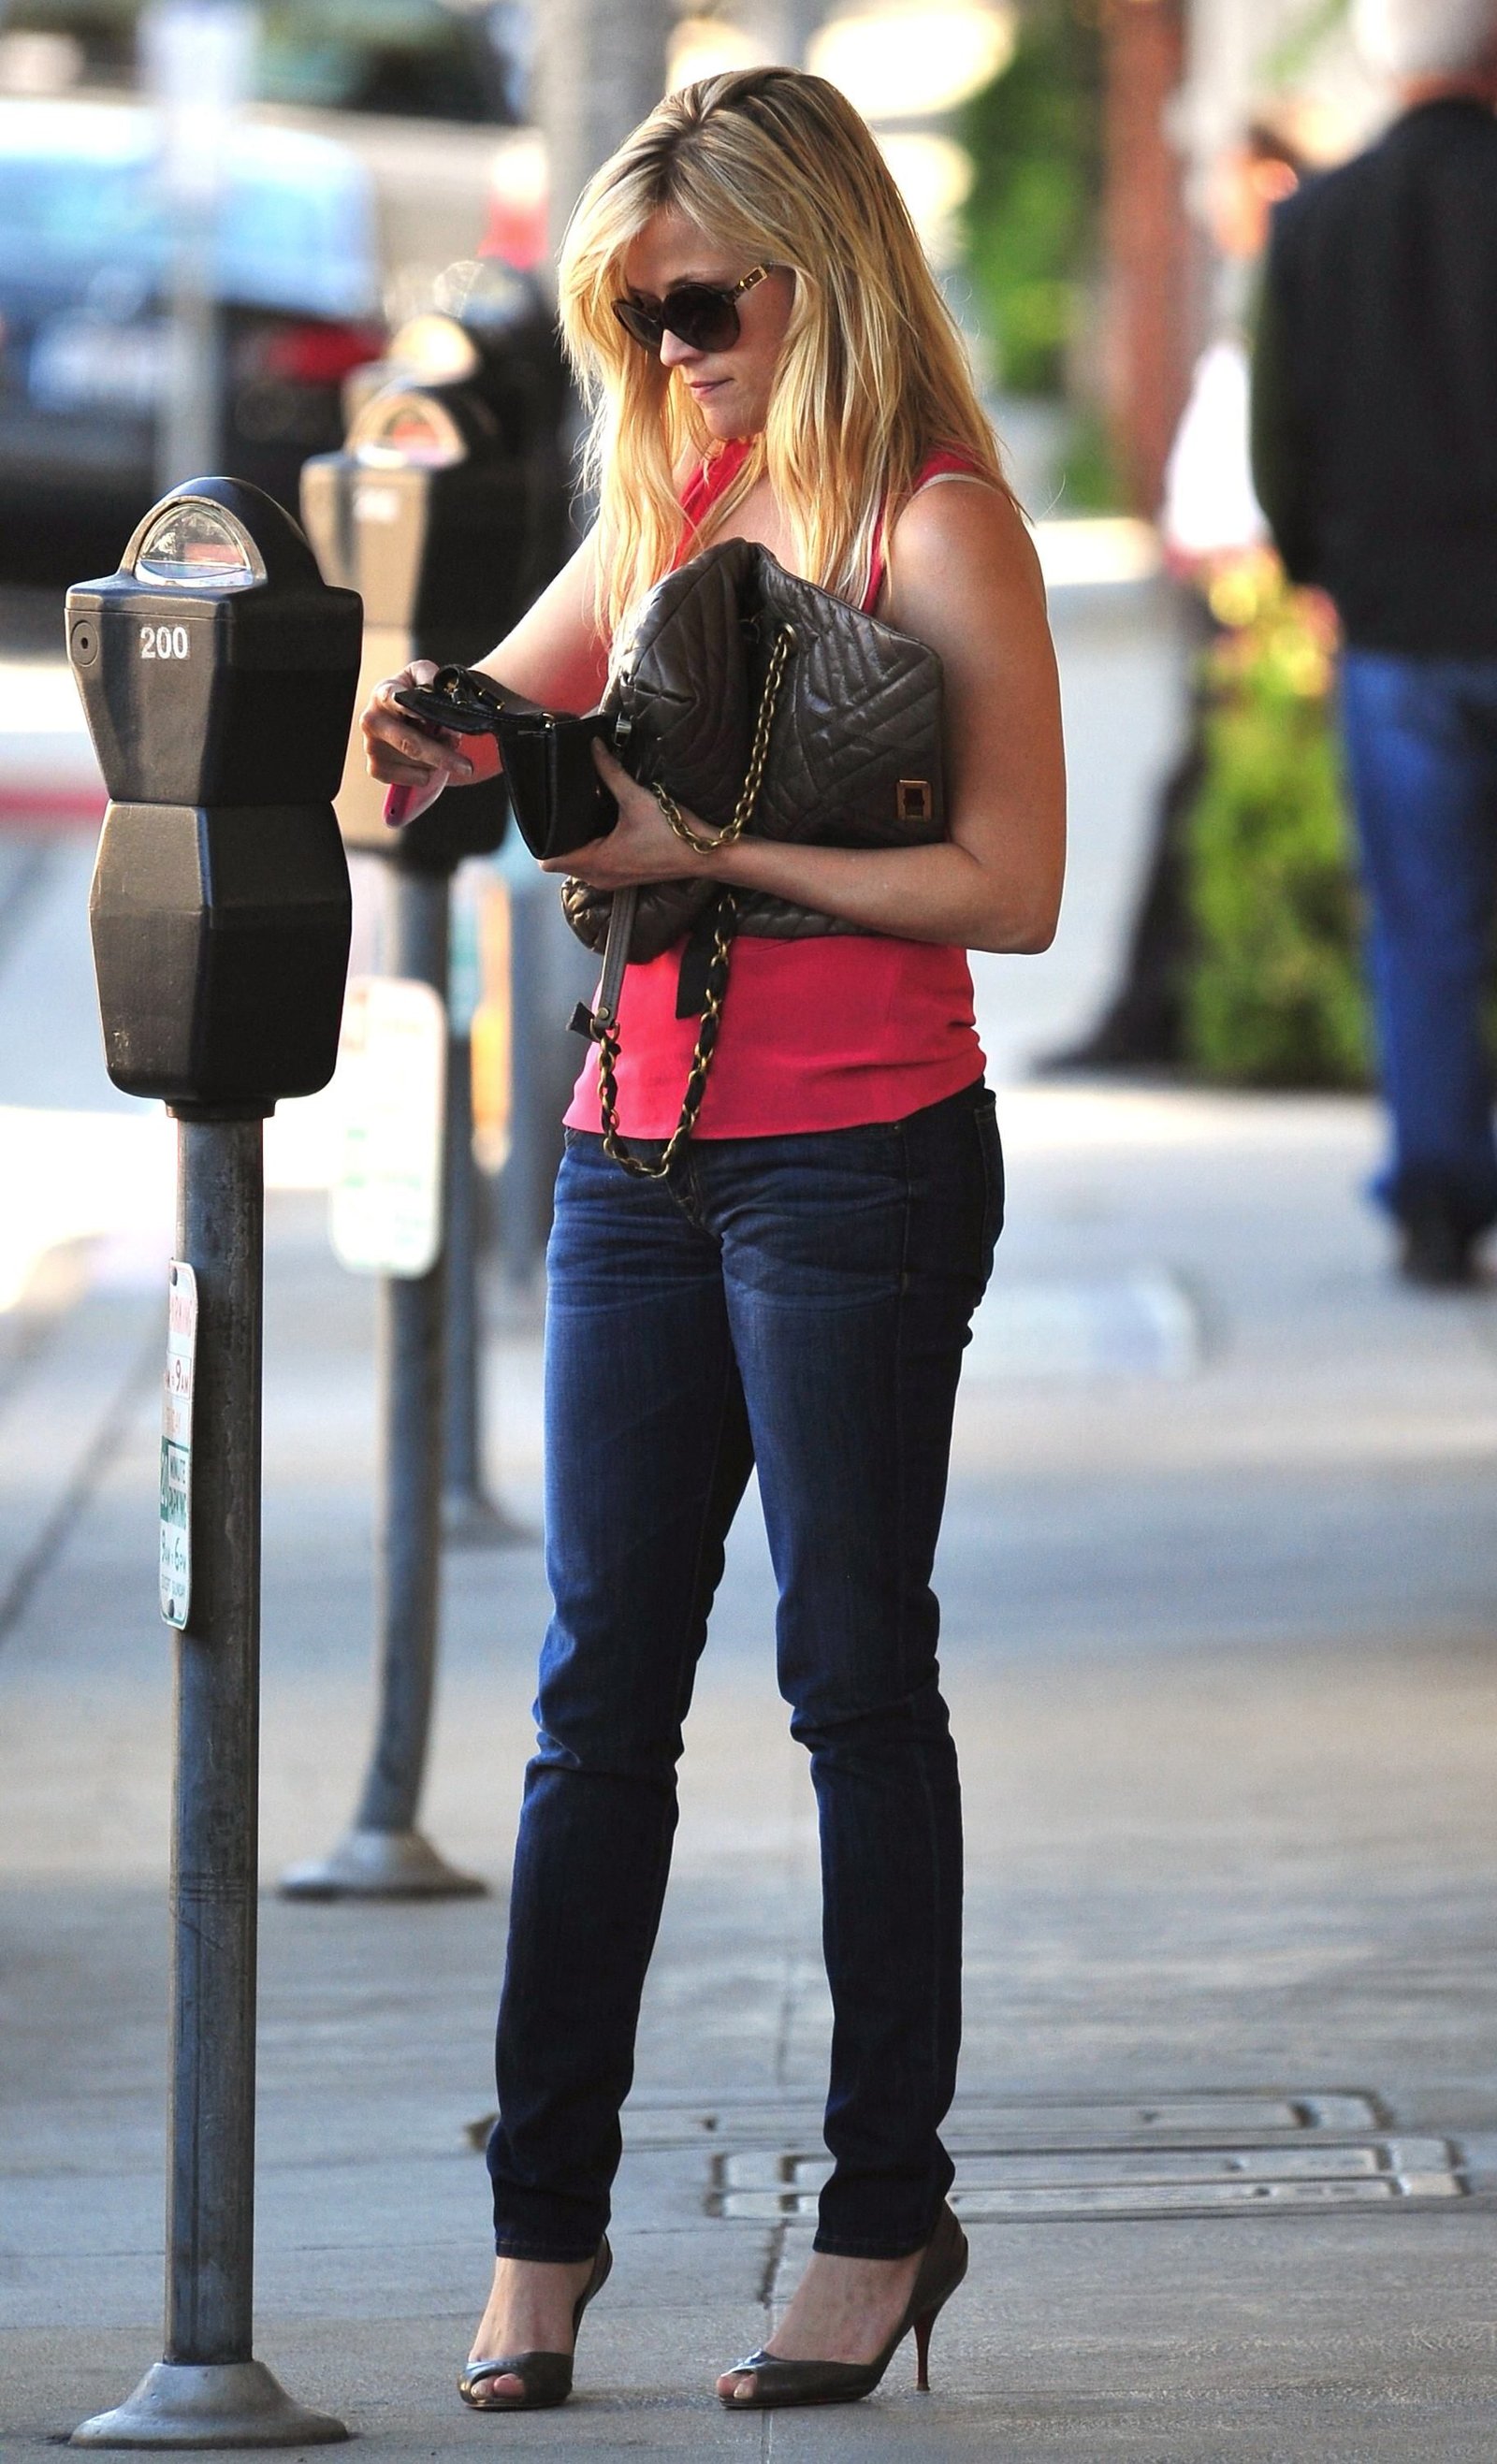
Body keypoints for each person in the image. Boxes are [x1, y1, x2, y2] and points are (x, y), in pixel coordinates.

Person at [361, 65, 1065, 2413]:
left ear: (818, 275)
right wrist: (436, 739)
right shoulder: (668, 497)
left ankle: (878, 2218)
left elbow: (1011, 887)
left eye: (699, 308)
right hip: (633, 1156)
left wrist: (704, 856)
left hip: (858, 1158)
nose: (667, 354)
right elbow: (504, 716)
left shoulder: (929, 523)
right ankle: (540, 2231)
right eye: (633, 317)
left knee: (850, 1679)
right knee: (594, 1704)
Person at [1252, 0, 1497, 1284]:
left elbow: (1278, 439)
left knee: (1423, 925)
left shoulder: (1316, 221)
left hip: (1396, 622)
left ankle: (1438, 1200)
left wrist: (1316, 570)